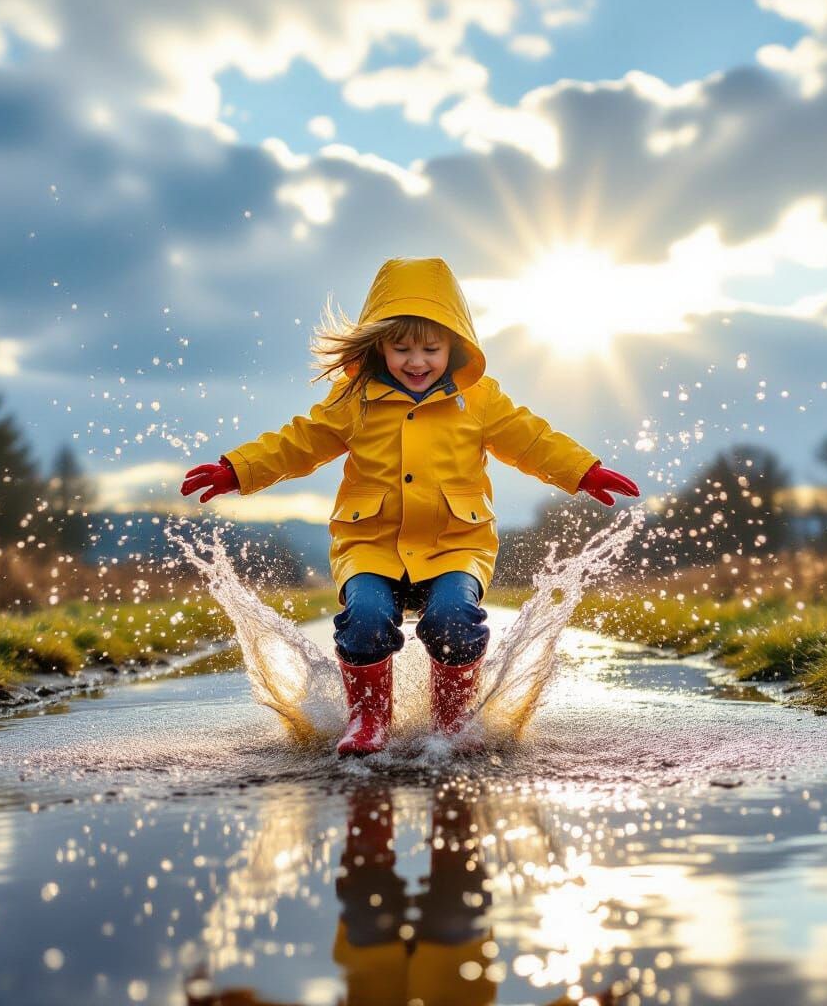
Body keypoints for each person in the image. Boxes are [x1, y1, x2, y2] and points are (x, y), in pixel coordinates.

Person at [180, 256, 640, 755]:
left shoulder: (479, 400)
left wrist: (581, 470)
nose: (416, 361)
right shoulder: (353, 399)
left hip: (455, 544)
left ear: (455, 346)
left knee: (454, 620)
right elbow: (300, 442)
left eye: (430, 348)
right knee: (366, 620)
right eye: (401, 348)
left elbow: (531, 439)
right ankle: (369, 719)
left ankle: (452, 722)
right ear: (378, 346)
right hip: (370, 543)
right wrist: (239, 468)